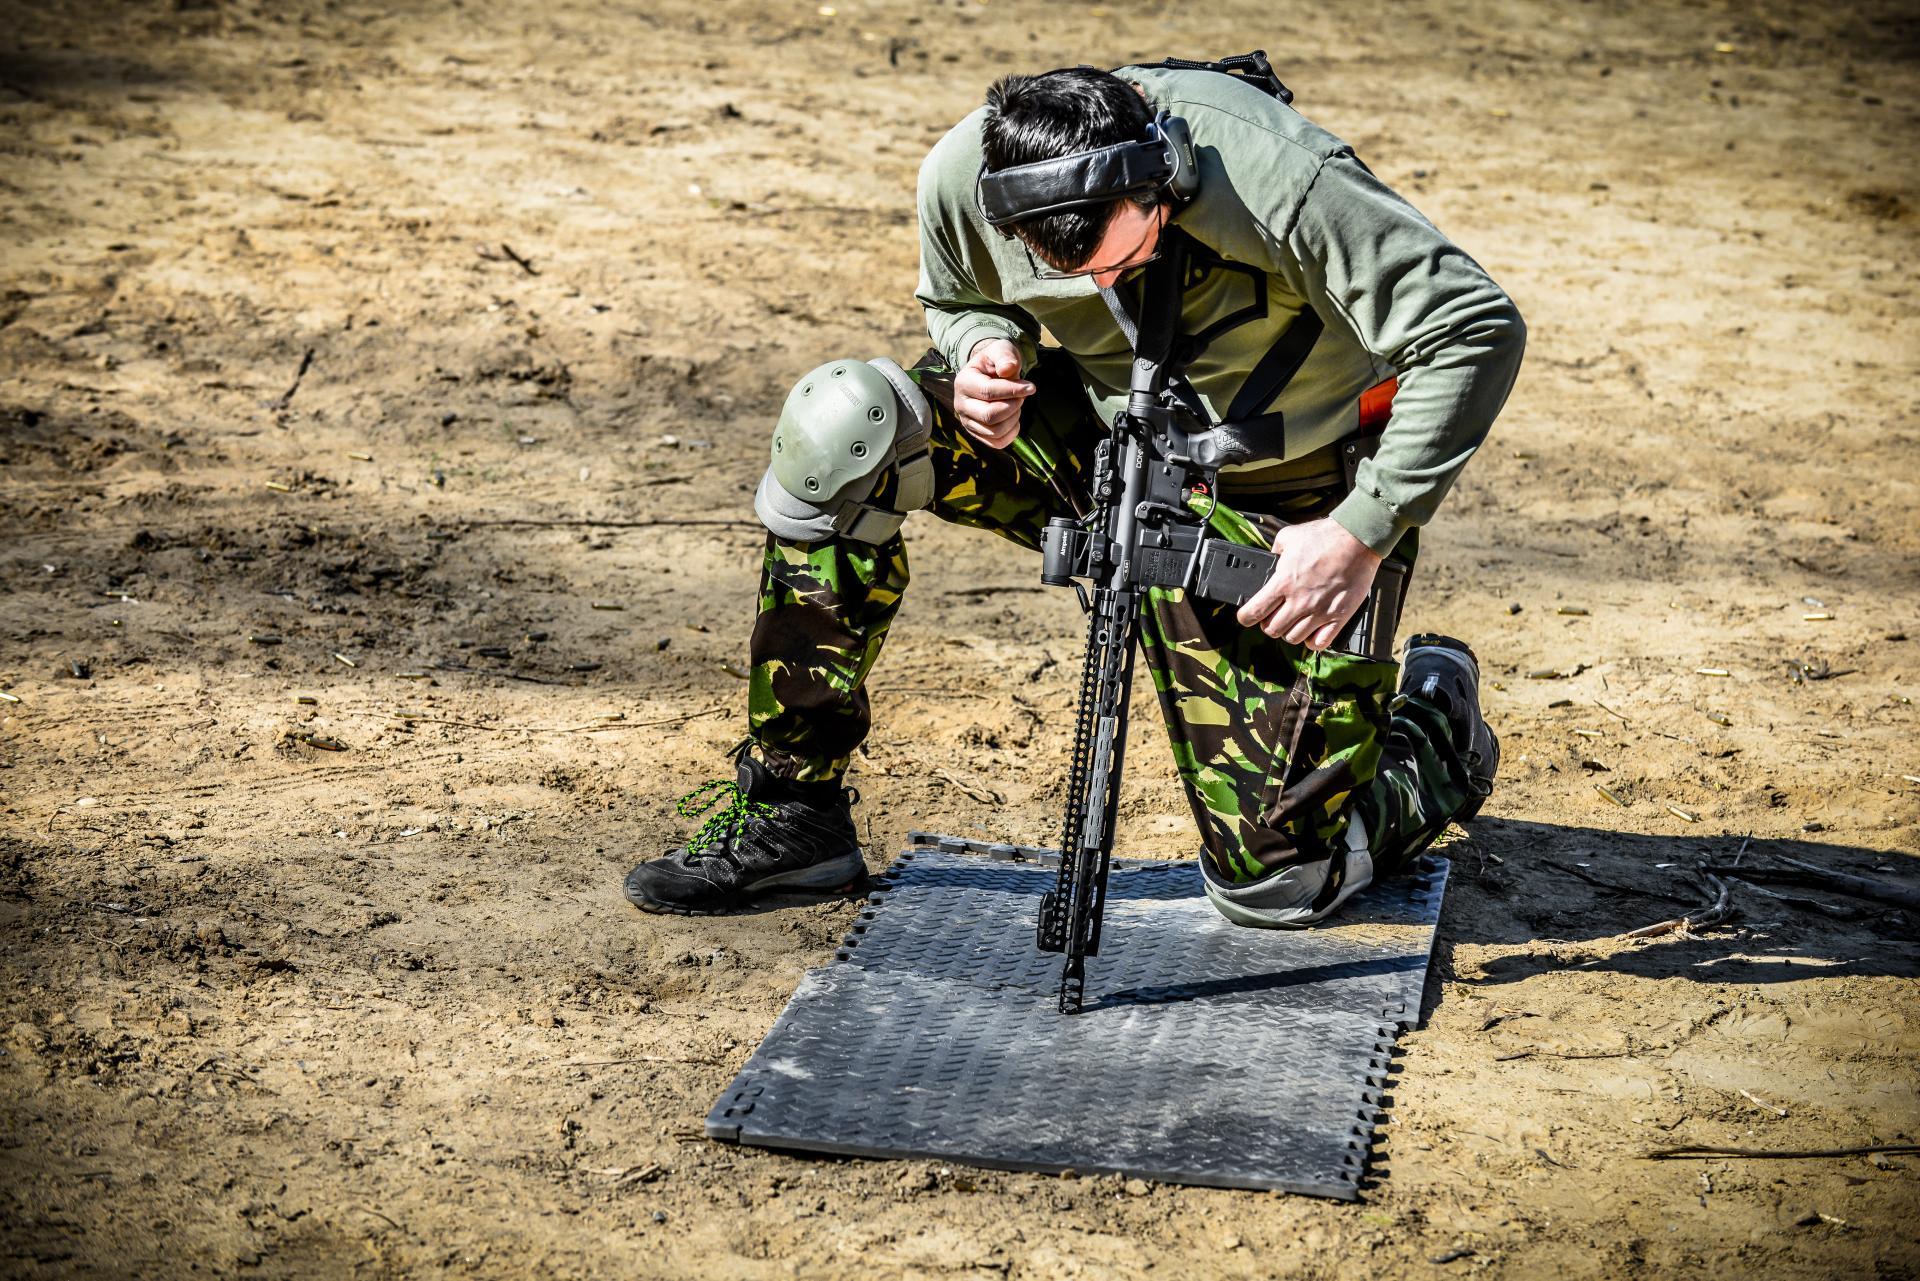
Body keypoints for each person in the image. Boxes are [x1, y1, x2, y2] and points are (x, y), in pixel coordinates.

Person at [624, 57, 1525, 926]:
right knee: (844, 433)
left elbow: (1474, 325)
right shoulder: (964, 175)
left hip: (1290, 499)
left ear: (1158, 181)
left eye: (1122, 261)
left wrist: (1362, 531)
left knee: (1277, 883)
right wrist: (983, 348)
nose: (1101, 288)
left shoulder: (1279, 176)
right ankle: (793, 812)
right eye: (1072, 274)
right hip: (1107, 447)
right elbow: (959, 296)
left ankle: (1436, 724)